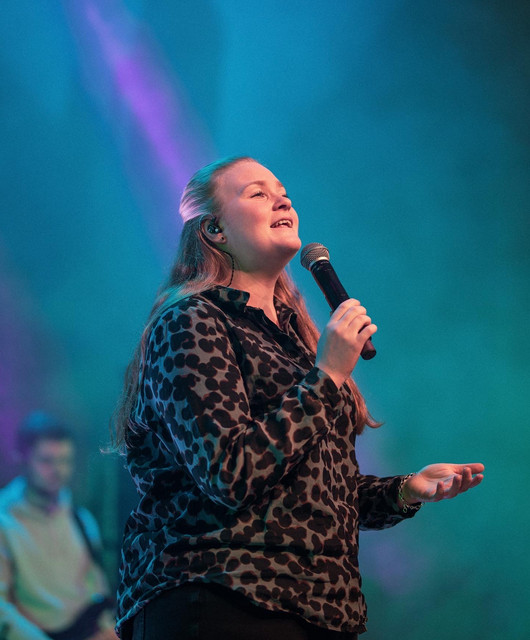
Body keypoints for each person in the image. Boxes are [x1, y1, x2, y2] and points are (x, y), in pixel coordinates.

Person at [113, 156, 484, 639]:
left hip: (320, 605)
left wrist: (404, 491)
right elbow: (230, 472)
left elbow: (312, 495)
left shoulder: (297, 343)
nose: (282, 201)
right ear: (214, 230)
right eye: (258, 193)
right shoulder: (192, 322)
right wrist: (327, 375)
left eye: (284, 193)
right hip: (224, 589)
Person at [0, 412, 117, 640]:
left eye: (65, 461)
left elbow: (96, 588)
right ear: (22, 458)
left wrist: (107, 628)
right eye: (46, 461)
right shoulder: (5, 521)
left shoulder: (81, 518)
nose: (58, 470)